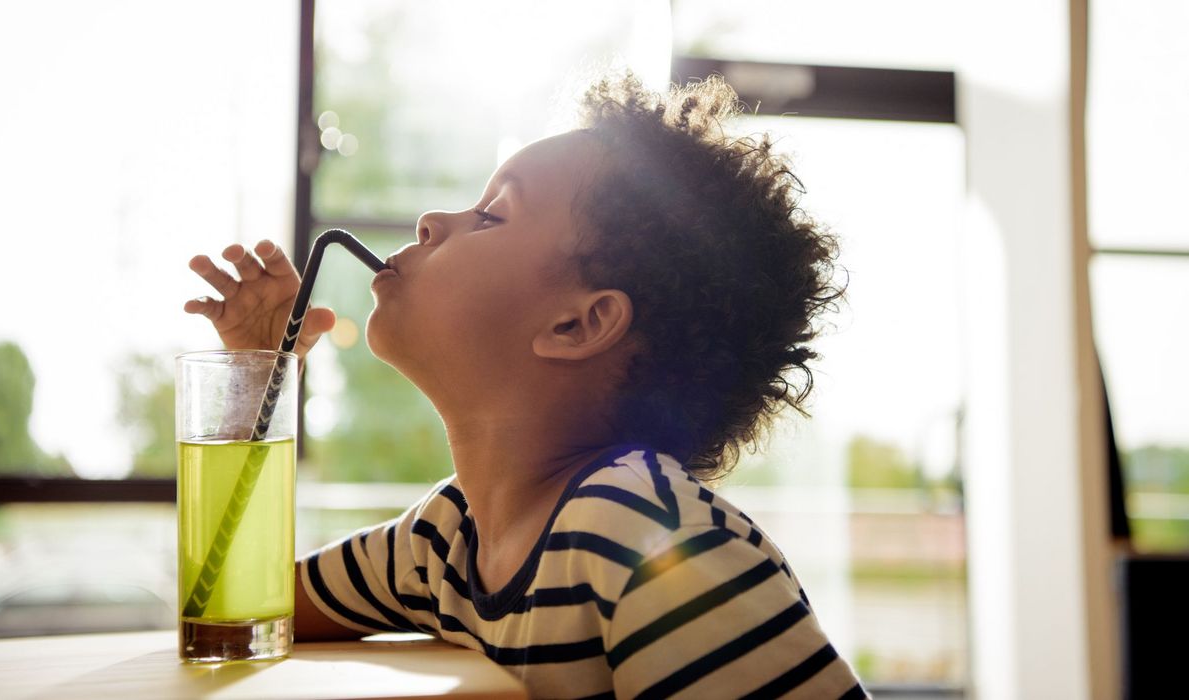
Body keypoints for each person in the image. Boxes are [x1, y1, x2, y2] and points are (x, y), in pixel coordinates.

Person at [184, 73, 866, 699]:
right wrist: (257, 377)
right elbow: (232, 606)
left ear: (577, 324)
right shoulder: (444, 543)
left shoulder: (650, 539)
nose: (431, 222)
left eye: (490, 215)